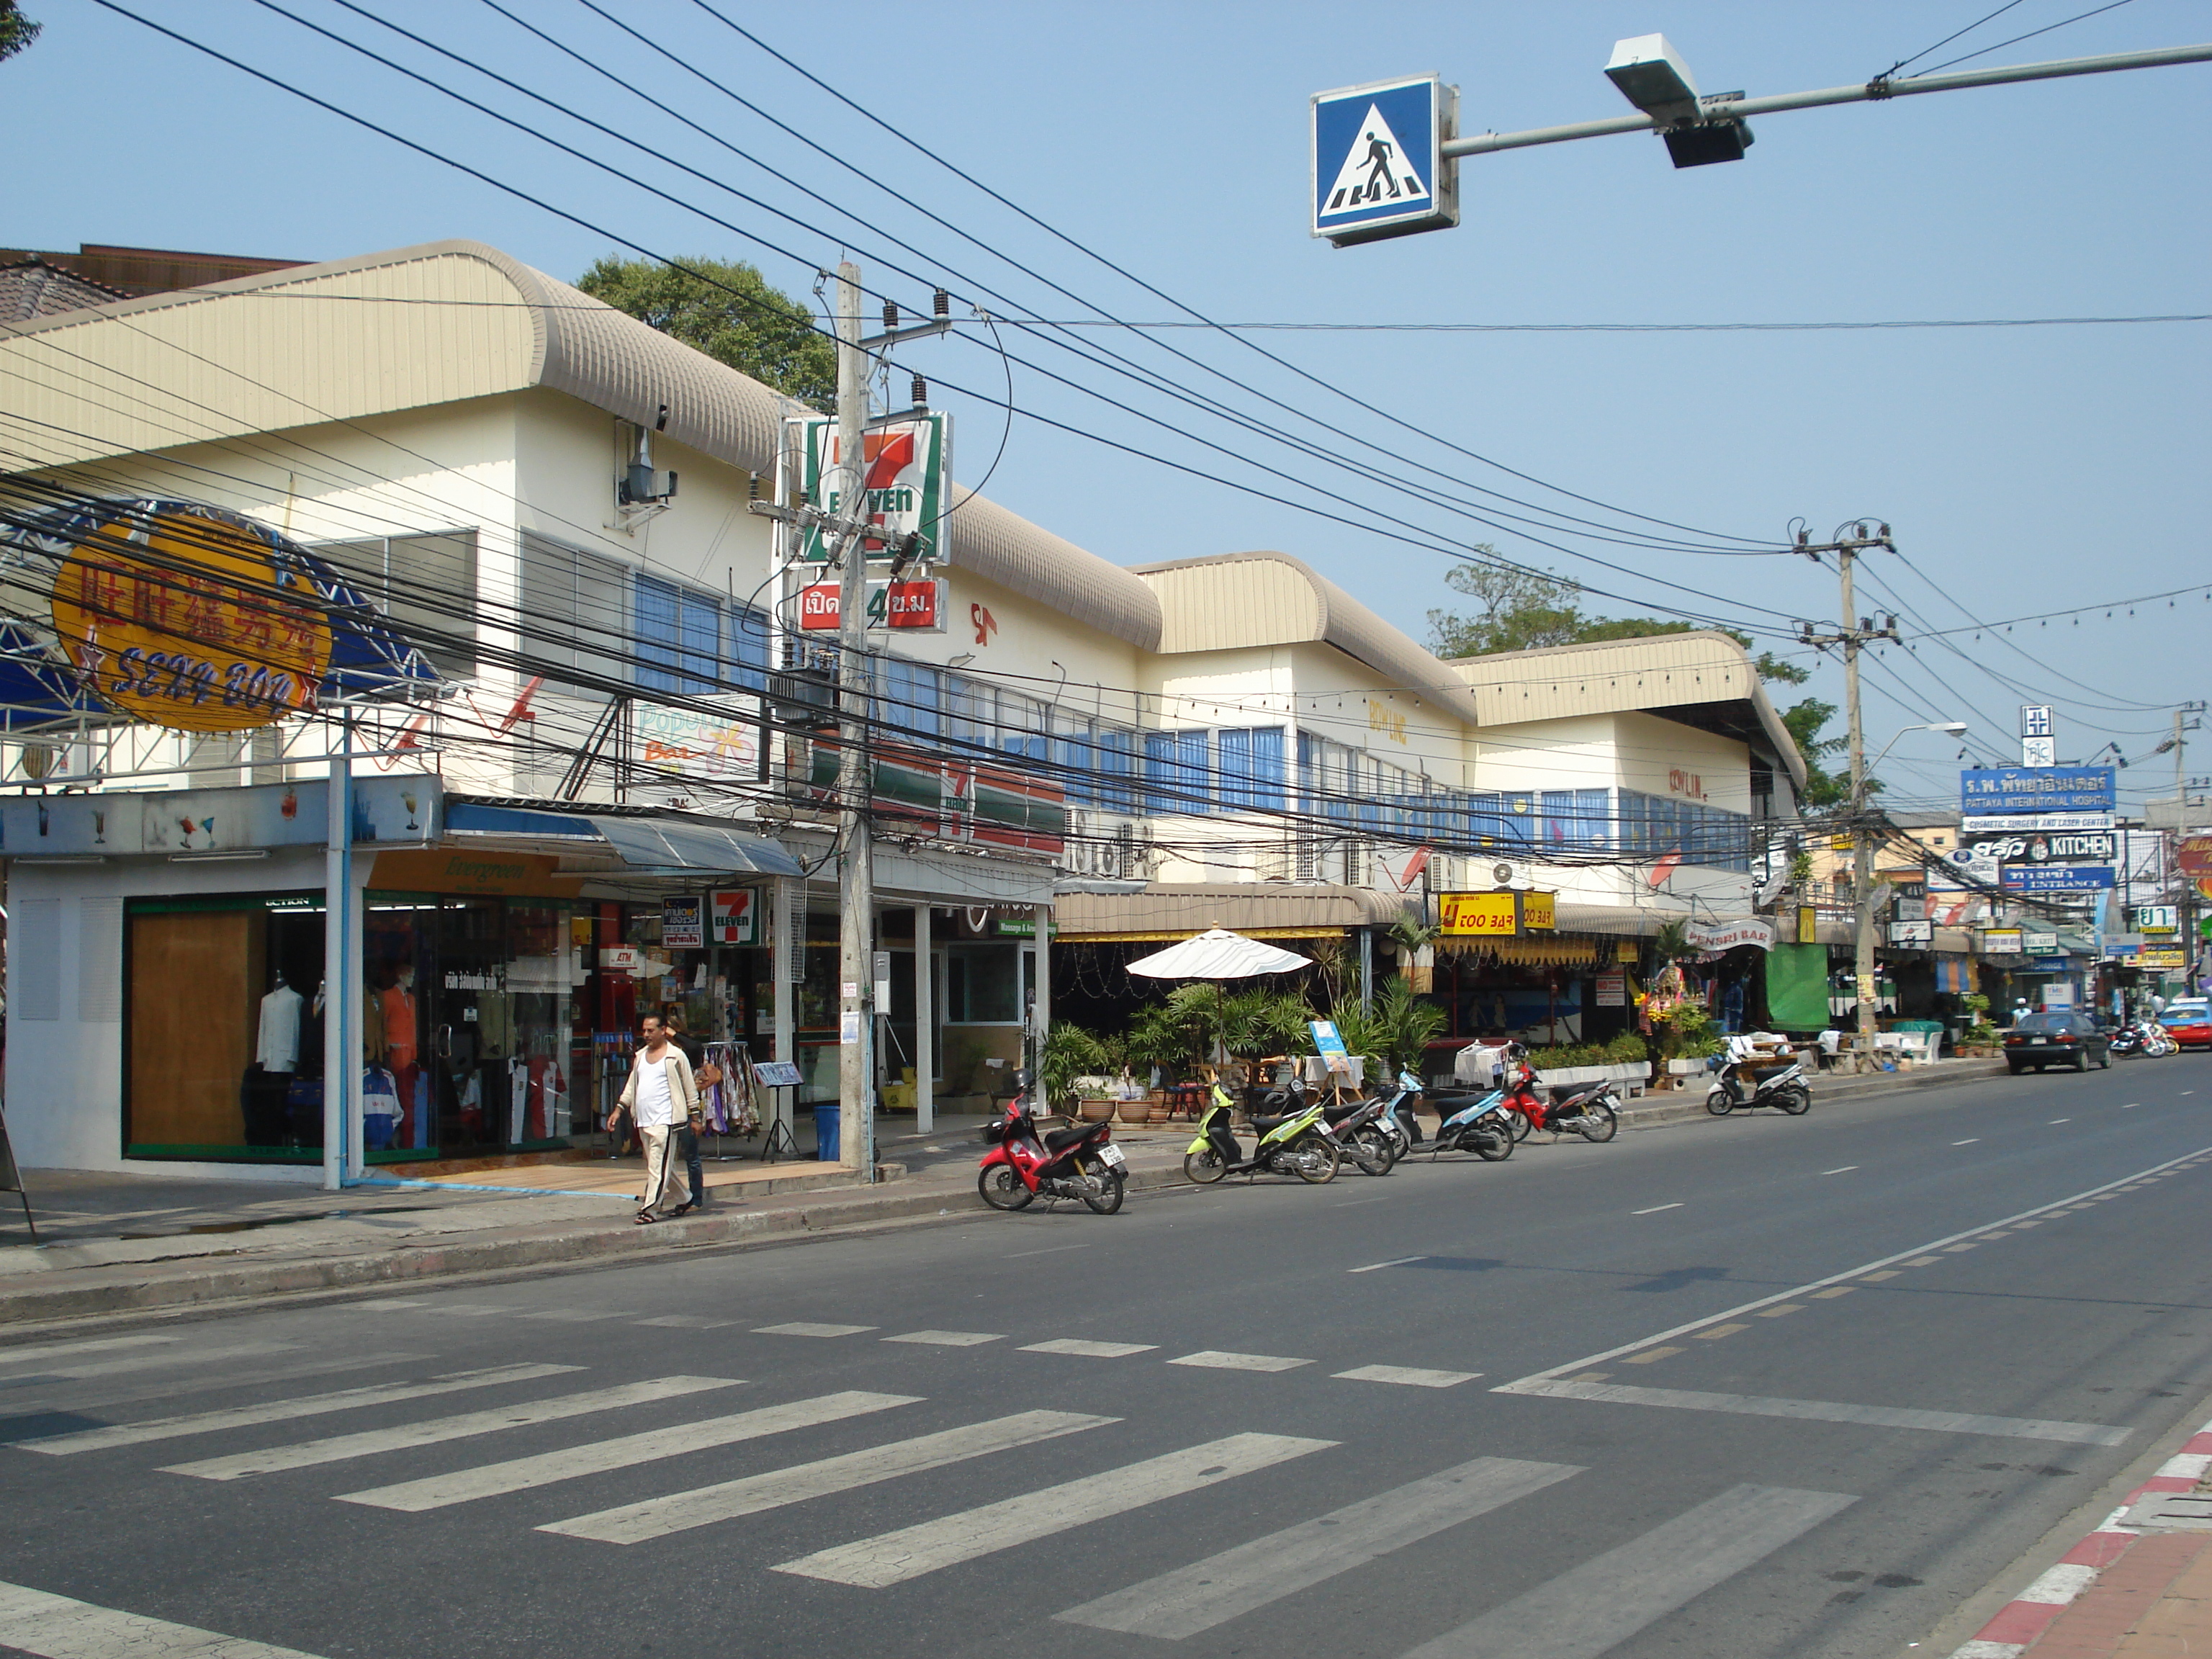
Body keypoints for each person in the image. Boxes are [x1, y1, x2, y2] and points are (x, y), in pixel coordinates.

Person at [619, 1014, 699, 1224]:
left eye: (651, 1030)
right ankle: (685, 1197)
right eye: (644, 1030)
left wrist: (695, 1116)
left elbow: (690, 1088)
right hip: (644, 1120)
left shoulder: (676, 1056)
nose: (646, 1035)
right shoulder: (640, 1057)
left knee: (658, 1167)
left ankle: (650, 1209)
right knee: (658, 1166)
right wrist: (619, 1109)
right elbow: (631, 1086)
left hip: (667, 1121)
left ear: (663, 1031)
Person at [662, 1007, 709, 1213]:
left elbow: (695, 1047)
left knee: (691, 1155)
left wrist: (675, 1035)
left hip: (687, 1110)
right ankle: (660, 1197)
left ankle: (696, 1199)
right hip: (664, 1109)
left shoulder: (686, 1052)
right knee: (661, 1158)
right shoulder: (660, 1052)